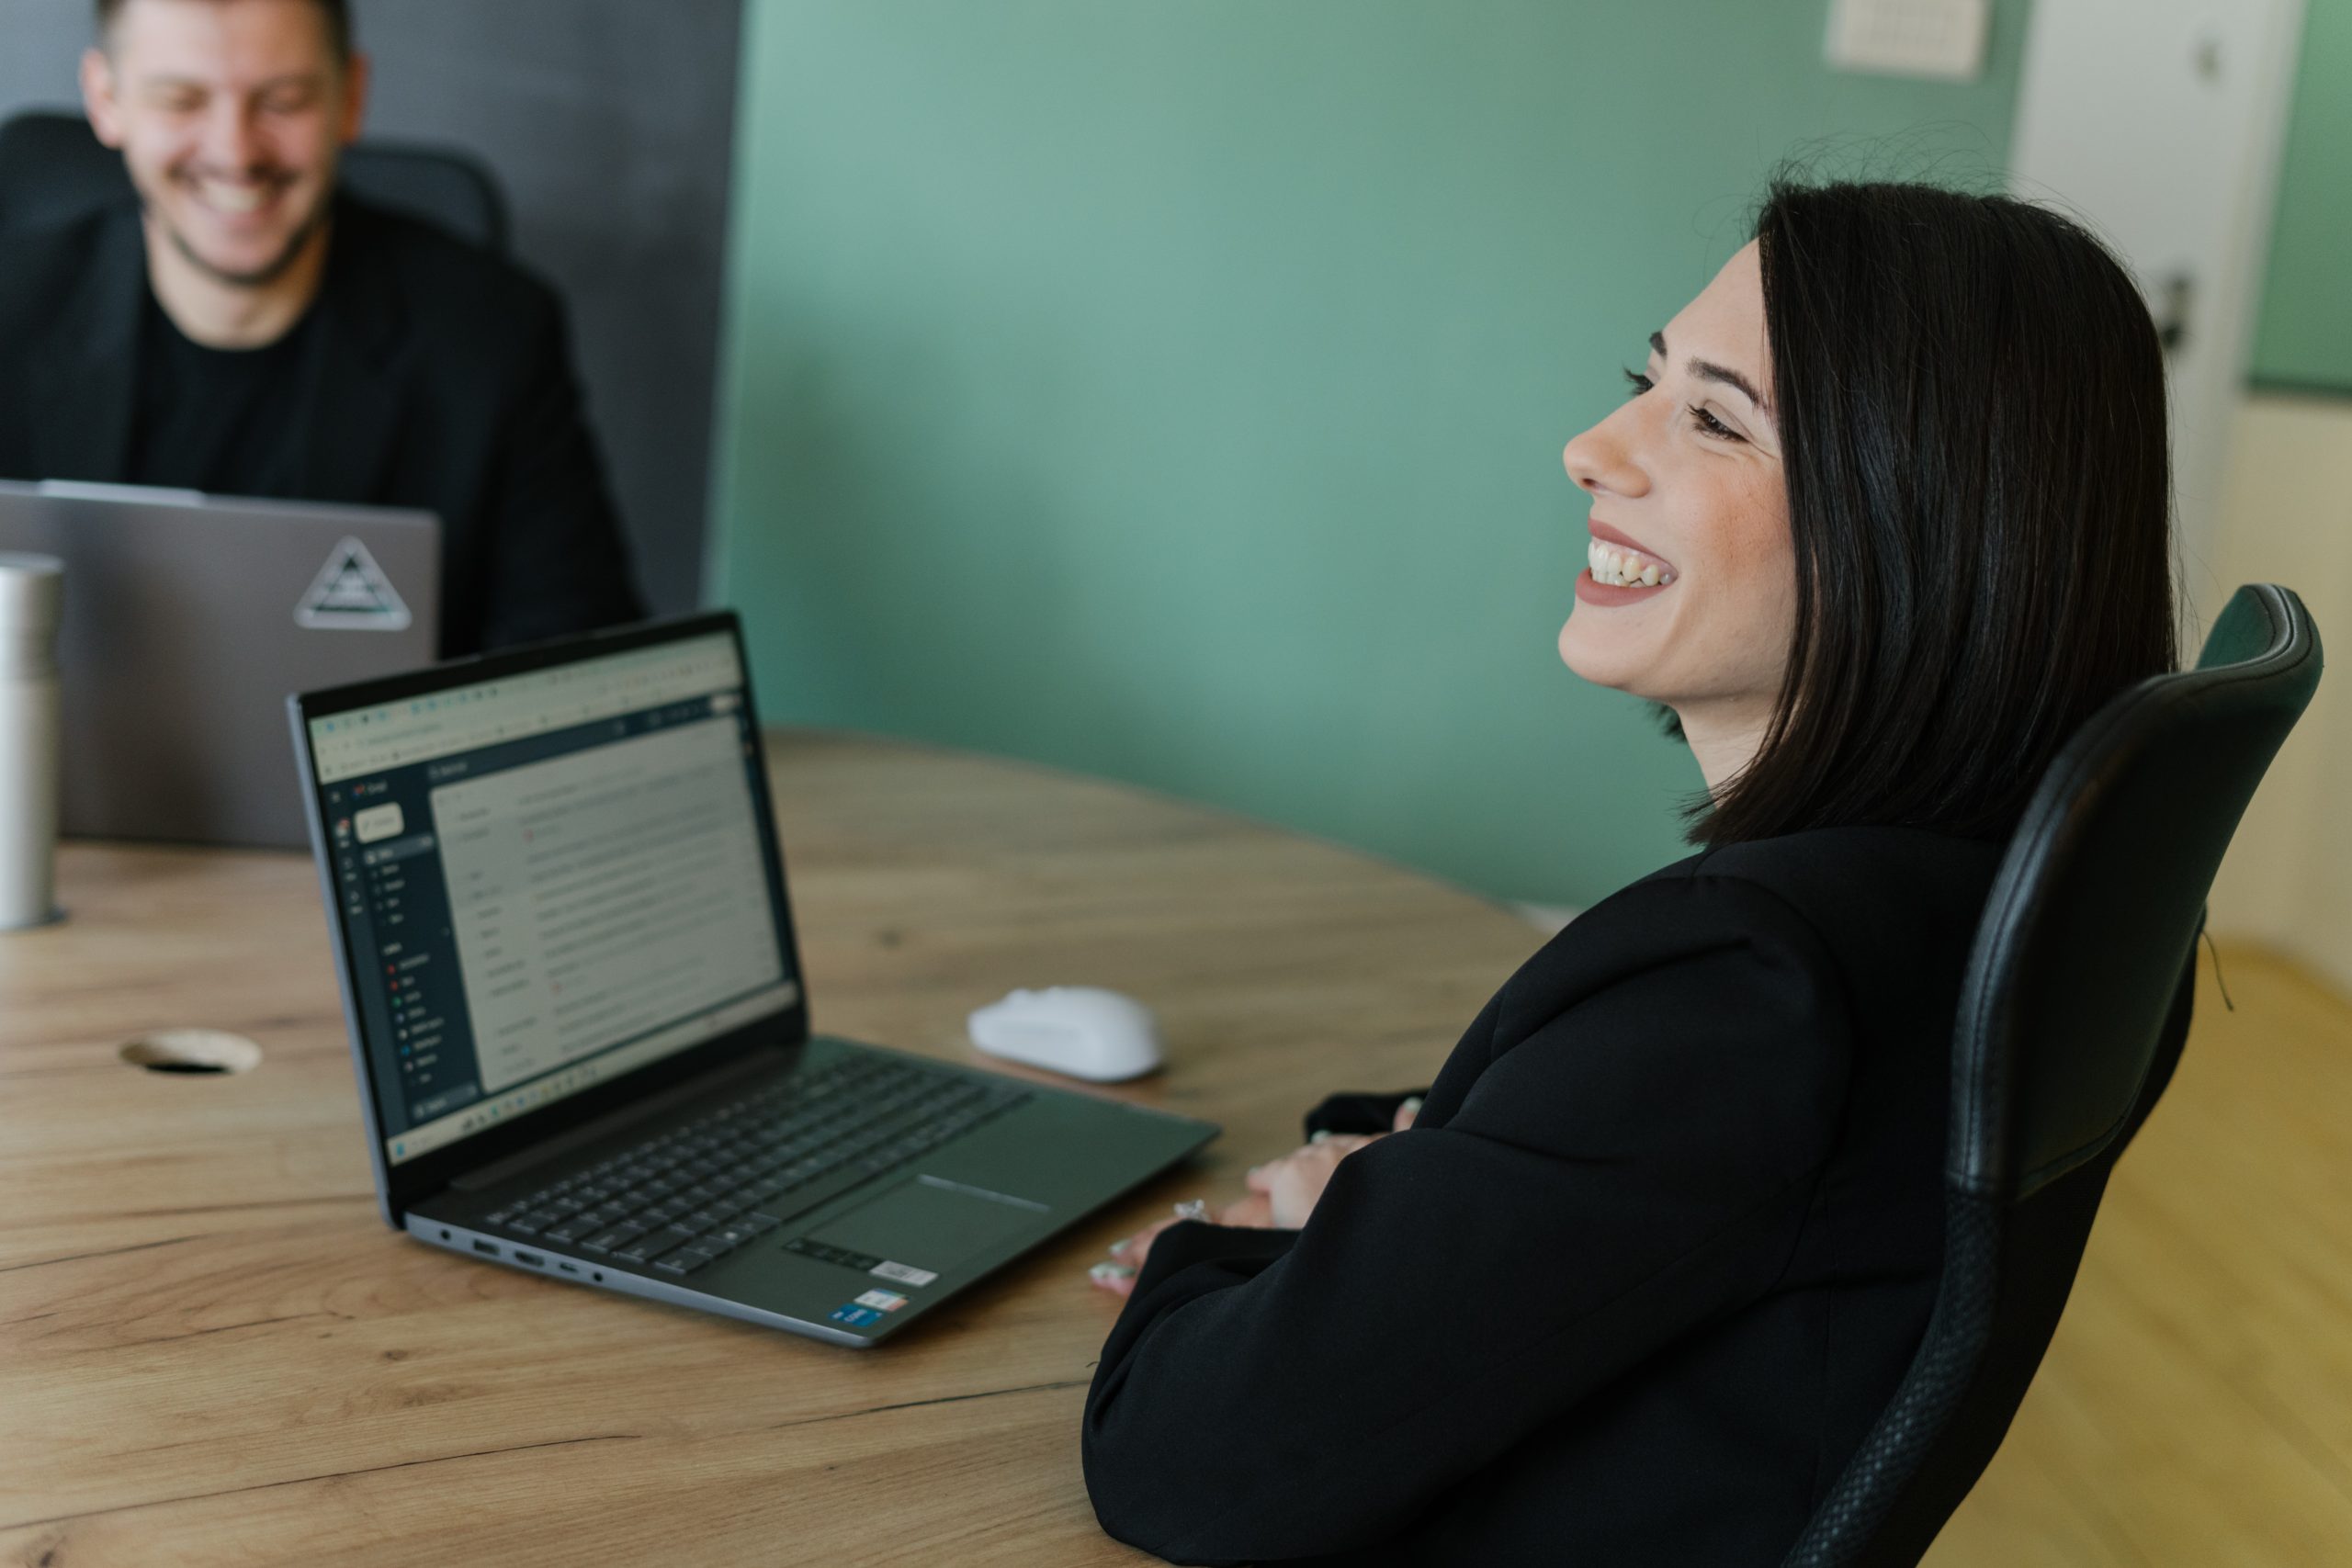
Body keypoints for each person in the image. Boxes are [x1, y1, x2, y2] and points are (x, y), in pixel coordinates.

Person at [1080, 179, 2178, 1565]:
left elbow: (1180, 1458)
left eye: (1715, 419)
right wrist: (1425, 1192)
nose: (1590, 449)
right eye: (1643, 383)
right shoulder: (1998, 898)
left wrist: (1252, 1240)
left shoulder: (1750, 983)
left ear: (1926, 517)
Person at [0, 0, 645, 657]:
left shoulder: (493, 336)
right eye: (182, 100)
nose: (235, 152)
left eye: (283, 101)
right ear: (106, 99)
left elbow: (582, 659)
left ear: (351, 98)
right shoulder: (10, 312)